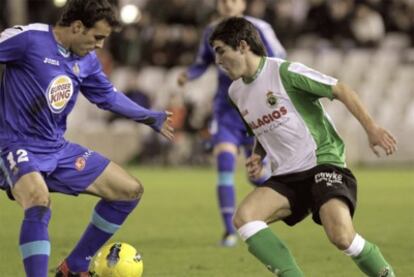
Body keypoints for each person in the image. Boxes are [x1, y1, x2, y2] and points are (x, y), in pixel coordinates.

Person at [209, 17, 397, 276]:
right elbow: (260, 128)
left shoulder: (284, 72)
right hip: (287, 175)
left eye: (221, 51)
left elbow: (340, 89)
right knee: (245, 217)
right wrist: (257, 155)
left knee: (342, 237)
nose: (217, 60)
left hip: (322, 162)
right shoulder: (235, 93)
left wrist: (371, 128)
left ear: (242, 46)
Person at [0, 1, 174, 276]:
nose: (101, 46)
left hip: (57, 148)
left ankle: (74, 266)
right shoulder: (28, 39)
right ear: (77, 27)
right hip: (14, 145)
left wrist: (148, 116)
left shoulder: (86, 60)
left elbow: (107, 96)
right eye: (98, 37)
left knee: (128, 191)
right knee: (38, 199)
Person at [177, 0, 286, 247]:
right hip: (226, 109)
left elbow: (279, 57)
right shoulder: (211, 32)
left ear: (243, 4)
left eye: (233, 0)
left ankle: (269, 203)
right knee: (224, 162)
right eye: (223, 0)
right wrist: (188, 75)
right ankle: (229, 232)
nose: (227, 4)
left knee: (256, 174)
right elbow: (202, 62)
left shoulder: (260, 28)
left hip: (256, 109)